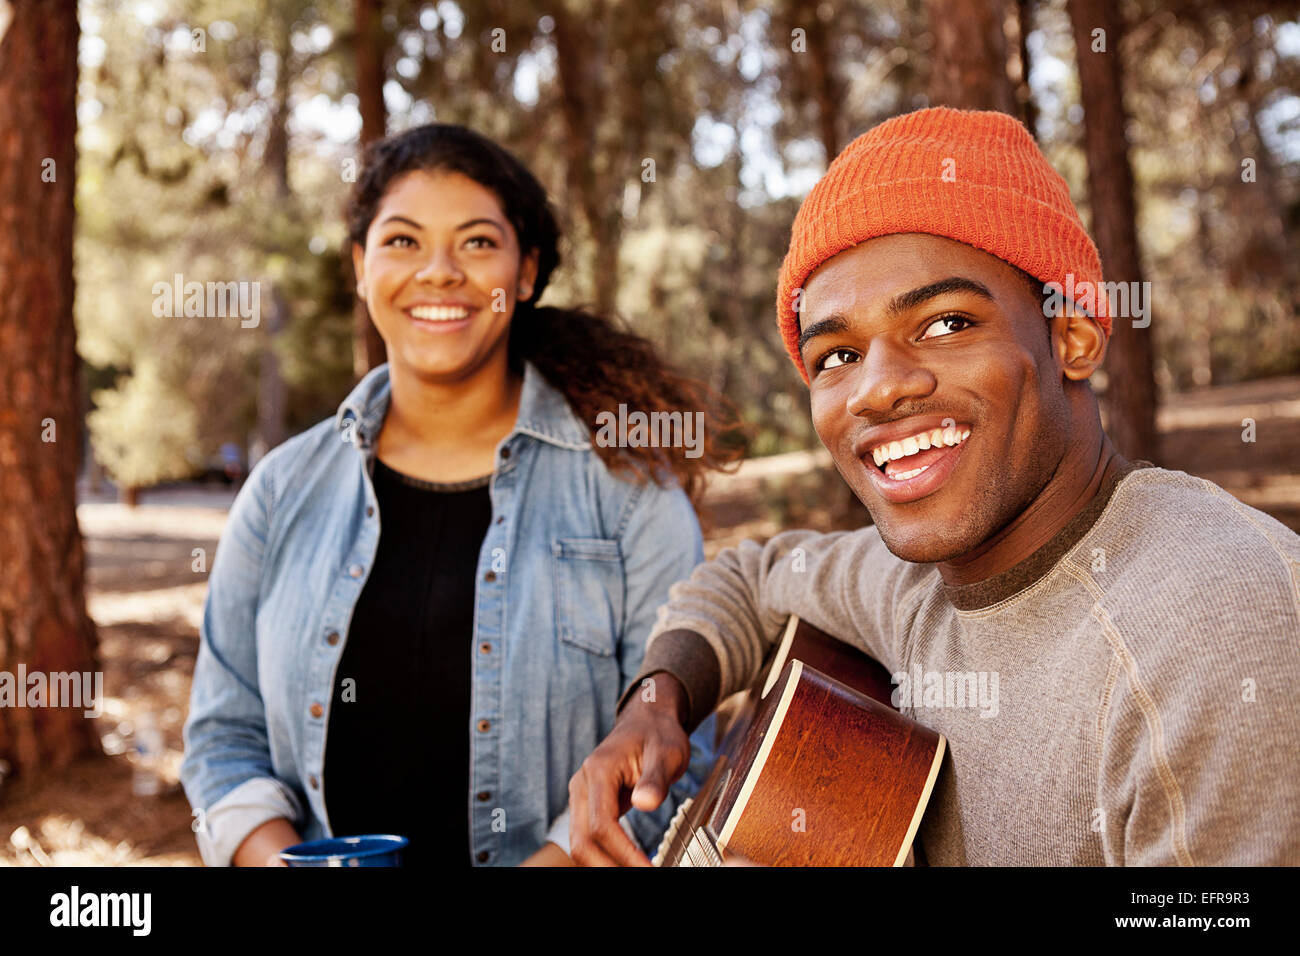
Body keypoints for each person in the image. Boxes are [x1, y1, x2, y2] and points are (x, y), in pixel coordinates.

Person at [567, 106, 1300, 866]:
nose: (876, 390)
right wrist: (655, 702)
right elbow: (749, 579)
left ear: (1072, 338)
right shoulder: (911, 585)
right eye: (836, 356)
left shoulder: (1217, 631)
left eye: (947, 323)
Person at [180, 124, 743, 867]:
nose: (439, 271)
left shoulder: (632, 497)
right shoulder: (281, 491)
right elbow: (223, 739)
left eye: (477, 243)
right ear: (360, 266)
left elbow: (675, 763)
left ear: (529, 270)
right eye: (403, 241)